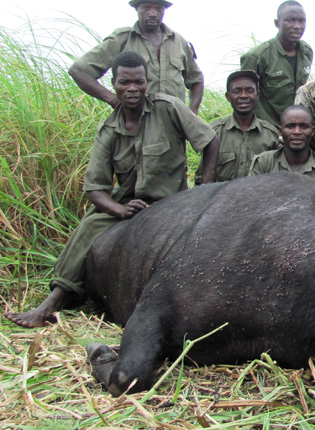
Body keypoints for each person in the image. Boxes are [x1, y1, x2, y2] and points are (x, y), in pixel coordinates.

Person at [6, 51, 220, 328]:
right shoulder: (108, 129)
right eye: (125, 83)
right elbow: (95, 189)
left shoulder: (169, 107)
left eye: (139, 82)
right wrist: (119, 209)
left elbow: (210, 141)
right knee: (87, 229)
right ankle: (54, 302)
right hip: (128, 203)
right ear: (114, 83)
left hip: (173, 201)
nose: (132, 89)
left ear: (148, 82)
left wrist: (206, 185)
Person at [69, 0, 204, 113]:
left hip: (175, 127)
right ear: (136, 8)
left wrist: (191, 115)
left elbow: (196, 80)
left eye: (158, 8)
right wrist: (113, 100)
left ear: (164, 10)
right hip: (136, 125)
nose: (152, 14)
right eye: (146, 8)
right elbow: (79, 71)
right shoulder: (122, 39)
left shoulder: (178, 41)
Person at [249, 105, 315, 203]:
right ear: (280, 132)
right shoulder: (263, 164)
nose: (297, 132)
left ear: (312, 131)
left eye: (304, 126)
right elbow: (250, 204)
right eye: (290, 126)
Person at [196, 70, 280, 182]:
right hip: (222, 198)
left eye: (249, 91)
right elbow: (202, 178)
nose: (244, 96)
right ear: (228, 96)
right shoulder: (213, 132)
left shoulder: (271, 135)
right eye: (237, 91)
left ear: (257, 95)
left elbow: (277, 179)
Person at [240, 0, 313, 127]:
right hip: (266, 130)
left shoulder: (307, 52)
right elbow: (242, 97)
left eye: (302, 21)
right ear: (277, 23)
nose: (297, 26)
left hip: (295, 131)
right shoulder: (258, 56)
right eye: (290, 20)